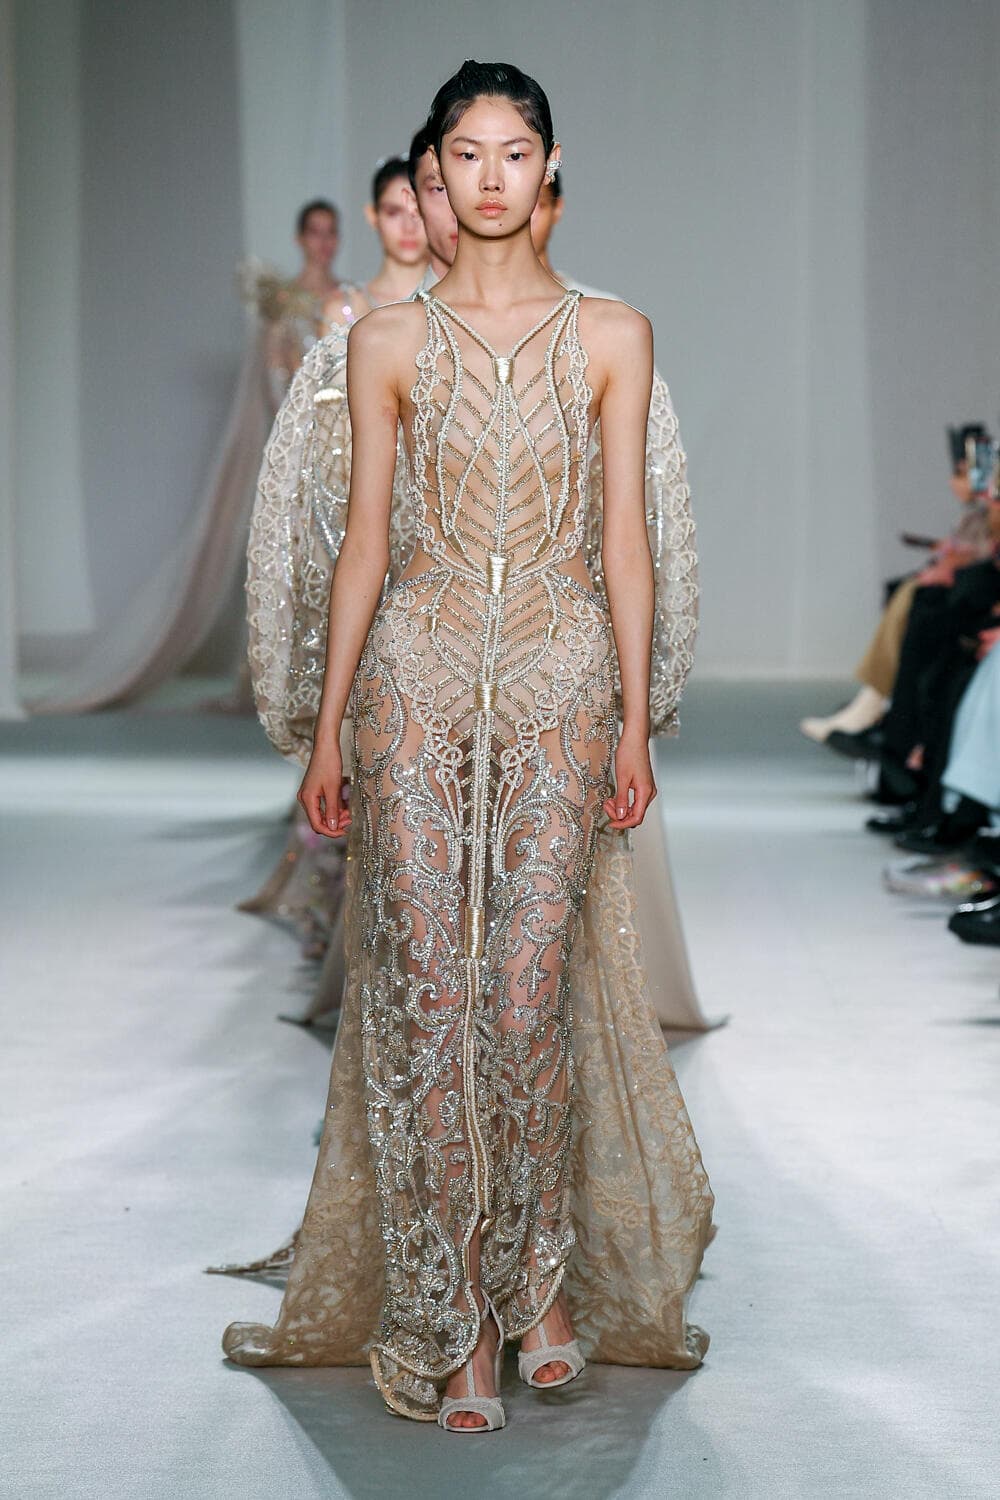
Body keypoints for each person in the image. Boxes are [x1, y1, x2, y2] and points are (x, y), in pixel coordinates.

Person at [223, 61, 713, 1431]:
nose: (490, 176)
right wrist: (326, 725)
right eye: (466, 152)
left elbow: (626, 543)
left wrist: (634, 714)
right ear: (435, 171)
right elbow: (362, 547)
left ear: (547, 168)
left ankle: (536, 1279)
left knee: (524, 992)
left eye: (515, 151)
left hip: (562, 681)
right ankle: (457, 1319)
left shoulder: (615, 334)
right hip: (412, 683)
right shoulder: (386, 343)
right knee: (429, 996)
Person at [355, 156, 430, 309]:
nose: (408, 227)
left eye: (419, 212)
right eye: (393, 212)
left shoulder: (461, 306)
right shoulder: (344, 310)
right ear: (372, 216)